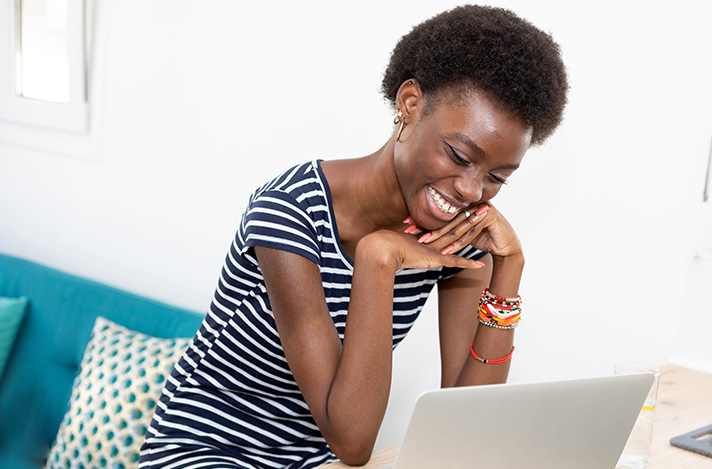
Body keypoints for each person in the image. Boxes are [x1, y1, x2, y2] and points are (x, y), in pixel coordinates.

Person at [139, 5, 568, 468]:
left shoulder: (458, 232)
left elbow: (469, 425)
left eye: (497, 177)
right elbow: (352, 440)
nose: (470, 190)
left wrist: (509, 270)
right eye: (459, 155)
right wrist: (378, 258)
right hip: (205, 451)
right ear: (409, 104)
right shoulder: (290, 213)